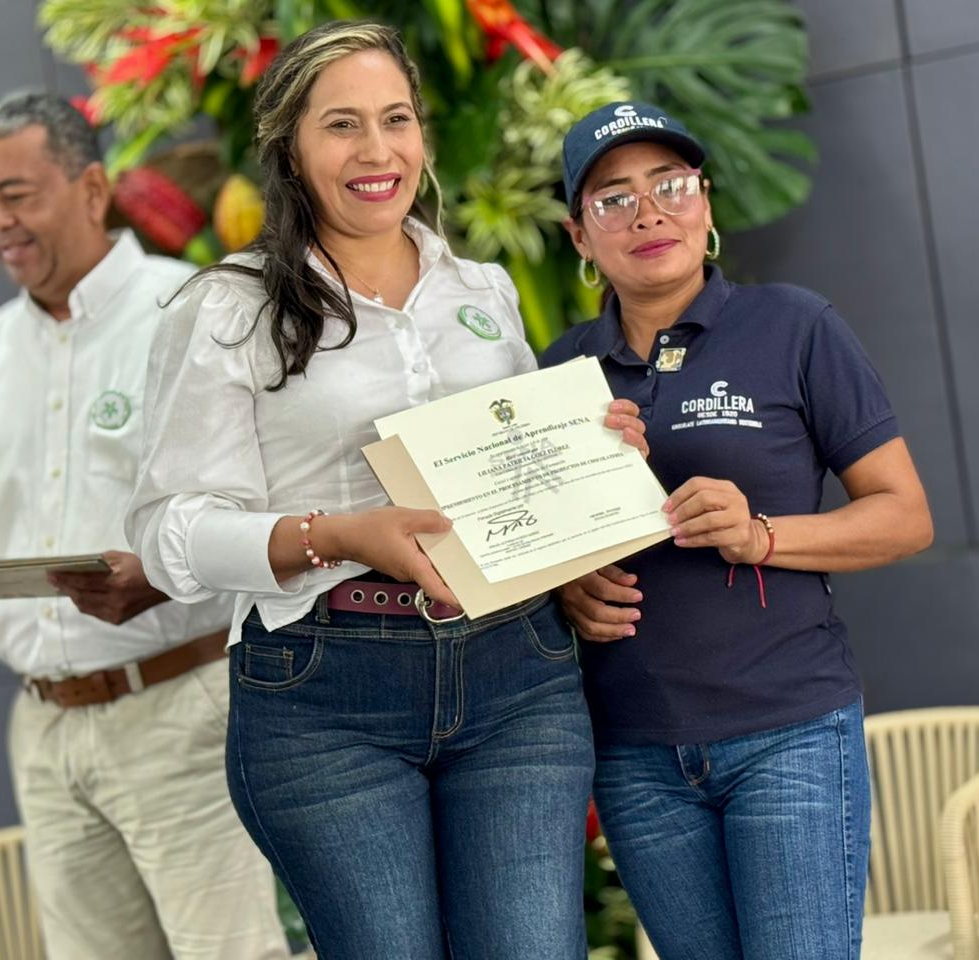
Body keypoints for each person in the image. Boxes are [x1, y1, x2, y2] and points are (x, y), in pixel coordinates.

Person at [124, 22, 647, 960]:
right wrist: (341, 535)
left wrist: (593, 457)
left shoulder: (480, 288)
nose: (378, 150)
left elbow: (521, 477)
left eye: (396, 119)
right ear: (290, 148)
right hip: (325, 690)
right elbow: (172, 534)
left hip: (517, 671)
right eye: (343, 125)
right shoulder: (230, 307)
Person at [0, 92, 289, 960]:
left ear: (92, 189)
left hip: (183, 709)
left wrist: (160, 573)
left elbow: (271, 514)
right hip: (45, 732)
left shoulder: (194, 308)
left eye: (15, 194)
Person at [541, 102, 935, 960]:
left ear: (706, 201)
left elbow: (905, 516)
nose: (649, 213)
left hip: (788, 733)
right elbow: (527, 547)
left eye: (671, 185)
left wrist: (761, 535)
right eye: (614, 199)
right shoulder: (558, 374)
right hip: (636, 754)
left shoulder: (794, 326)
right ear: (579, 235)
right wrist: (567, 586)